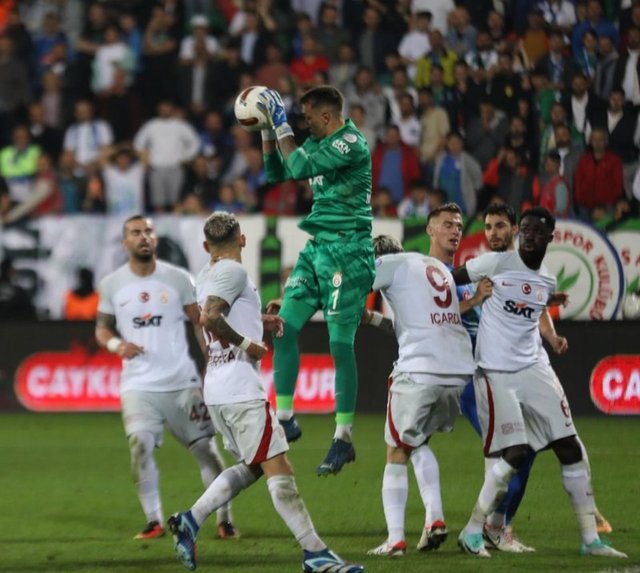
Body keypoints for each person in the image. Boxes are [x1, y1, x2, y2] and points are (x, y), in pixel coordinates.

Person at [167, 212, 364, 573]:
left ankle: (190, 519)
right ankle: (315, 553)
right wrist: (249, 344)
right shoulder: (234, 271)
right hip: (240, 389)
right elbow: (209, 317)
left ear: (207, 247)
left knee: (255, 466)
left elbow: (214, 316)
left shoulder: (207, 274)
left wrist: (259, 322)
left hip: (219, 387)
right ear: (242, 240)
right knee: (279, 468)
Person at [453, 207, 626, 559]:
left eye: (537, 231)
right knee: (516, 453)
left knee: (570, 447)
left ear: (550, 237)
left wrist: (553, 336)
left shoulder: (547, 279)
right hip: (495, 372)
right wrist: (461, 299)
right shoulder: (495, 263)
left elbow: (535, 303)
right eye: (526, 230)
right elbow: (449, 279)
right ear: (520, 233)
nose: (530, 236)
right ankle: (473, 529)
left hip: (533, 369)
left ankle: (590, 539)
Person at [95, 215, 236, 541]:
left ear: (155, 239)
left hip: (181, 384)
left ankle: (224, 518)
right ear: (125, 242)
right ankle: (153, 520)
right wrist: (117, 345)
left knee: (206, 451)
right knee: (139, 446)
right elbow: (102, 328)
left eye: (148, 231)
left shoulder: (179, 279)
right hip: (138, 385)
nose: (144, 237)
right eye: (136, 232)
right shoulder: (112, 284)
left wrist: (212, 363)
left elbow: (200, 323)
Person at [259, 85, 375, 475]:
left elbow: (298, 168)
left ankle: (343, 438)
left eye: (308, 117)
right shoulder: (319, 141)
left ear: (326, 116)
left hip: (349, 252)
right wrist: (266, 130)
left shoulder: (350, 144)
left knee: (339, 344)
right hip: (317, 249)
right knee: (282, 327)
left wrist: (280, 124)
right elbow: (277, 173)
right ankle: (286, 418)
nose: (303, 124)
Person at [363, 231, 476, 557]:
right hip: (457, 371)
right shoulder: (431, 267)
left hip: (420, 371)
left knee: (396, 450)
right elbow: (410, 327)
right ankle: (435, 518)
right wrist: (371, 318)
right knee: (417, 442)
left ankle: (395, 539)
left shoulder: (386, 263)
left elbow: (347, 286)